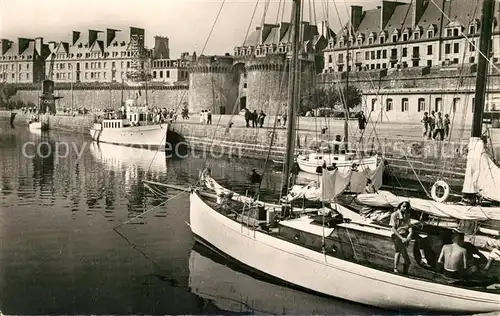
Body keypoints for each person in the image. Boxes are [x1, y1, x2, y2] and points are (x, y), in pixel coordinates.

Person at [390, 201, 413, 274]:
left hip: (405, 235)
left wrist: (409, 236)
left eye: (406, 207)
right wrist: (402, 238)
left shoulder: (407, 215)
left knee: (405, 256)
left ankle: (405, 272)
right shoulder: (394, 215)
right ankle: (395, 268)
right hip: (397, 235)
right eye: (403, 206)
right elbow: (393, 229)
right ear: (400, 206)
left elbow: (409, 227)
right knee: (398, 251)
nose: (405, 208)